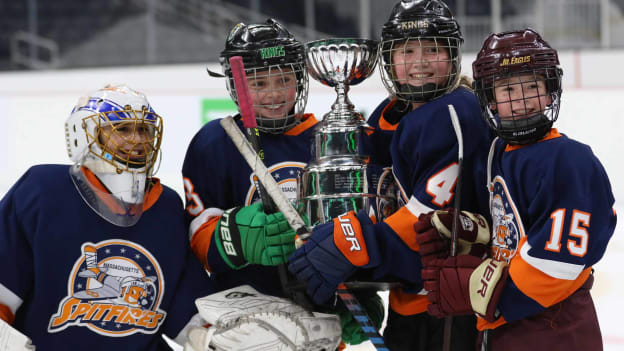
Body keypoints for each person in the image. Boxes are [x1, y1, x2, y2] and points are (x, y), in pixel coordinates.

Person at [289, 1, 493, 350]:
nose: (420, 62)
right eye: (408, 51)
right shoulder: (392, 114)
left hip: (460, 309)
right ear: (389, 60)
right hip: (413, 303)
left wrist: (355, 245)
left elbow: (431, 221)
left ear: (453, 55)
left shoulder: (456, 112)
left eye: (433, 49)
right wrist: (359, 277)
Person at [182, 19, 384, 346]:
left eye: (284, 79)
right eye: (259, 83)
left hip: (319, 326)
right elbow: (196, 238)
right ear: (236, 85)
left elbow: (354, 224)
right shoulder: (215, 143)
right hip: (245, 328)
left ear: (299, 78)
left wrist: (363, 289)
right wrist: (238, 235)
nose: (275, 93)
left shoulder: (328, 141)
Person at [416, 28, 617, 351]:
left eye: (532, 86)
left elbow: (561, 259)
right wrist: (475, 234)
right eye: (508, 89)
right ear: (489, 99)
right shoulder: (496, 153)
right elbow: (511, 230)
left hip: (556, 327)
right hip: (506, 327)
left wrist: (486, 294)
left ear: (551, 92)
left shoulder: (569, 159)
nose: (521, 100)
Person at [0, 84, 216, 350]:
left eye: (144, 129)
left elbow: (186, 311)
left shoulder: (167, 206)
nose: (137, 140)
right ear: (85, 135)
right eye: (122, 129)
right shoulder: (42, 191)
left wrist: (214, 336)